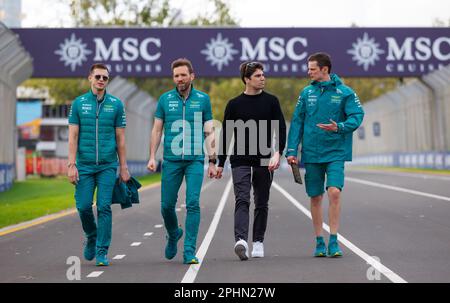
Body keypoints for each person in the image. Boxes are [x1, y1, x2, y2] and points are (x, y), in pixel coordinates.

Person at [286, 52, 364, 257]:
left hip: (336, 151)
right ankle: (319, 240)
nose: (308, 72)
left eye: (312, 69)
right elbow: (297, 122)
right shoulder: (305, 93)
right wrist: (292, 150)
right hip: (312, 153)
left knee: (334, 192)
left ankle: (334, 240)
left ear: (325, 69)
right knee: (315, 197)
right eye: (308, 68)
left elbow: (357, 115)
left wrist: (339, 127)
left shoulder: (345, 92)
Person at [147, 58, 216, 265]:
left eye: (183, 75)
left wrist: (212, 160)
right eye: (176, 75)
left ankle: (189, 251)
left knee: (193, 203)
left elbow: (209, 130)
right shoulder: (164, 99)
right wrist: (152, 156)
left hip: (195, 160)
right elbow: (157, 129)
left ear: (192, 76)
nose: (179, 79)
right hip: (171, 160)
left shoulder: (203, 99)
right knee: (166, 206)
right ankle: (173, 232)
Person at [216, 61, 286, 261]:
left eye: (263, 74)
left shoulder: (272, 101)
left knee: (262, 202)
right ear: (247, 79)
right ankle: (241, 241)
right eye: (257, 75)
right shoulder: (234, 104)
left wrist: (277, 153)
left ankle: (258, 241)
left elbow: (280, 128)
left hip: (265, 159)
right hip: (240, 160)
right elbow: (226, 135)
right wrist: (221, 163)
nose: (262, 78)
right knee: (242, 199)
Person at [68, 63, 130, 266]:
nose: (101, 80)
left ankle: (102, 251)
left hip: (107, 165)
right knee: (84, 207)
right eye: (98, 77)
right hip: (84, 165)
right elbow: (73, 136)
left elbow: (120, 139)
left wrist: (123, 167)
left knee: (104, 207)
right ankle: (91, 235)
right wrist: (71, 164)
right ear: (90, 78)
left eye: (105, 77)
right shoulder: (78, 104)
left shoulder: (116, 104)